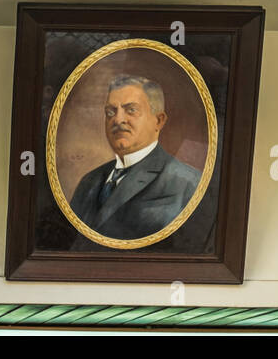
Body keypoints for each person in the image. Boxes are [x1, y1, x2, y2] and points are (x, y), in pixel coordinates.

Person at [68, 74, 200, 240]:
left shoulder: (188, 183)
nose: (118, 119)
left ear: (159, 121)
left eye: (131, 110)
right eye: (110, 112)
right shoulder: (89, 182)